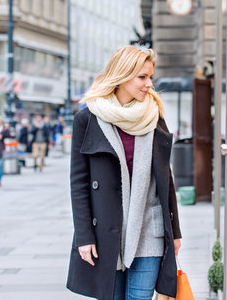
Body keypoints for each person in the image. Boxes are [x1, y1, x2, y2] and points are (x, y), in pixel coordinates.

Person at [66, 45, 182, 300]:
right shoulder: (88, 120)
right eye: (142, 77)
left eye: (150, 76)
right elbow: (79, 183)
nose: (149, 84)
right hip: (106, 233)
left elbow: (165, 179)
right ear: (121, 76)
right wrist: (84, 236)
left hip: (149, 230)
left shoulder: (154, 117)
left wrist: (175, 232)